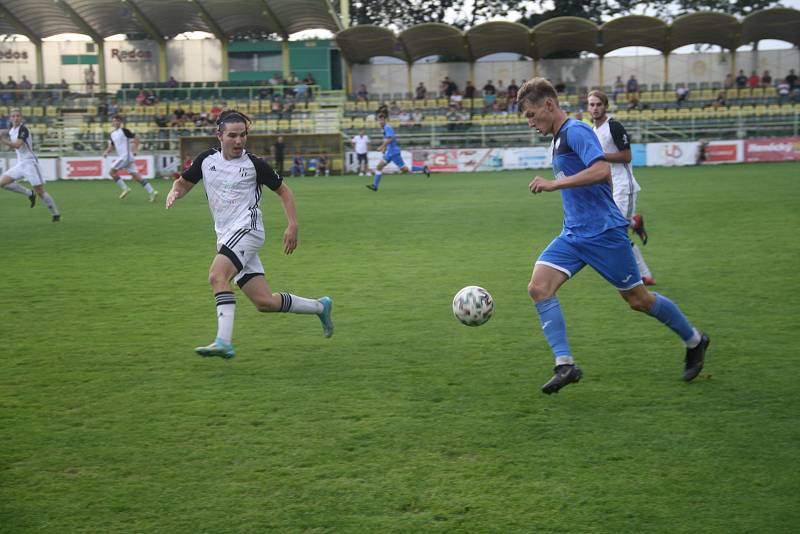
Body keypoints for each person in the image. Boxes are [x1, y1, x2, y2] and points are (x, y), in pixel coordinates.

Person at [516, 77, 709, 394]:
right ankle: (565, 364)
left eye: (531, 115)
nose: (530, 122)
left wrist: (554, 184)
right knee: (538, 288)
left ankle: (695, 339)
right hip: (574, 234)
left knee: (639, 300)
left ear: (548, 105)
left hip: (603, 235)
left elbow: (602, 170)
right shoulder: (559, 137)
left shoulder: (576, 131)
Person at [165, 110, 333, 358]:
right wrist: (174, 192)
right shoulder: (206, 161)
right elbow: (184, 182)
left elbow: (284, 191)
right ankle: (320, 306)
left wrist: (292, 225)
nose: (239, 141)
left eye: (243, 135)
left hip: (248, 230)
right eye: (232, 135)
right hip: (226, 237)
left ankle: (223, 341)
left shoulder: (255, 164)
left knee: (217, 276)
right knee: (265, 302)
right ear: (219, 135)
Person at [588, 90, 655, 286]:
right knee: (616, 230)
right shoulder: (592, 131)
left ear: (605, 106)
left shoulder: (614, 127)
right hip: (607, 189)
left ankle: (645, 274)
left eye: (598, 104)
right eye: (591, 105)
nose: (595, 108)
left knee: (617, 232)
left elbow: (626, 156)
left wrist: (600, 155)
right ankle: (634, 222)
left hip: (624, 186)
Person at [0, 108, 60, 222]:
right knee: (2, 183)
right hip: (20, 164)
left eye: (18, 116)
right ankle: (29, 193)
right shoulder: (12, 130)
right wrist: (3, 138)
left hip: (30, 164)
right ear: (10, 118)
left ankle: (55, 214)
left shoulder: (24, 129)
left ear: (21, 117)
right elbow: (8, 138)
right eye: (13, 116)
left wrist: (3, 141)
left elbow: (17, 145)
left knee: (40, 191)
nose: (16, 118)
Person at [365, 114, 429, 191]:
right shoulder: (384, 128)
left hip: (393, 152)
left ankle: (423, 169)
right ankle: (375, 186)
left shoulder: (387, 127)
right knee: (379, 167)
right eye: (379, 120)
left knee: (405, 170)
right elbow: (387, 139)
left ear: (385, 120)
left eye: (382, 120)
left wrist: (382, 146)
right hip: (390, 152)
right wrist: (384, 149)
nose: (381, 121)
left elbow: (390, 139)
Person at [102, 114, 158, 201]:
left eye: (117, 121)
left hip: (125, 156)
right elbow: (112, 146)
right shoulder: (112, 134)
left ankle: (125, 188)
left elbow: (136, 137)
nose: (115, 122)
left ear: (120, 122)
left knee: (112, 172)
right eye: (114, 121)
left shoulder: (124, 131)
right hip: (126, 157)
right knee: (136, 177)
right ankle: (152, 192)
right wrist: (106, 152)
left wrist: (135, 149)